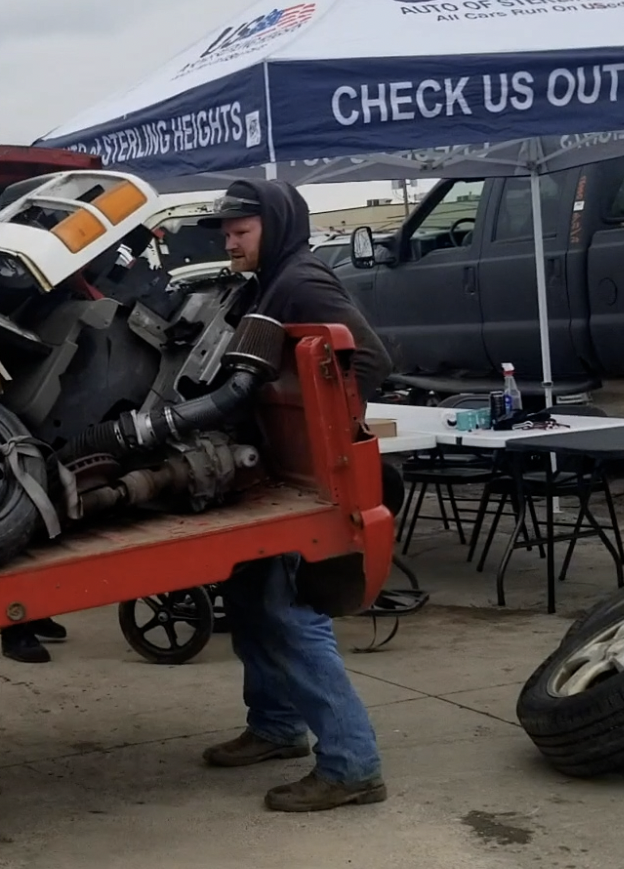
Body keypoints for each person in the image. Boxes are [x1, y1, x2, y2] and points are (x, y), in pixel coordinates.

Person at [195, 179, 392, 814]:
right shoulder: (266, 284)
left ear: (274, 228)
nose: (230, 242)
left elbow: (370, 360)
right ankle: (276, 726)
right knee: (251, 598)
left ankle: (352, 764)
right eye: (227, 232)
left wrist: (315, 430)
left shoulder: (302, 281)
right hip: (279, 471)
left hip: (314, 476)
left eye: (241, 231)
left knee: (289, 616)